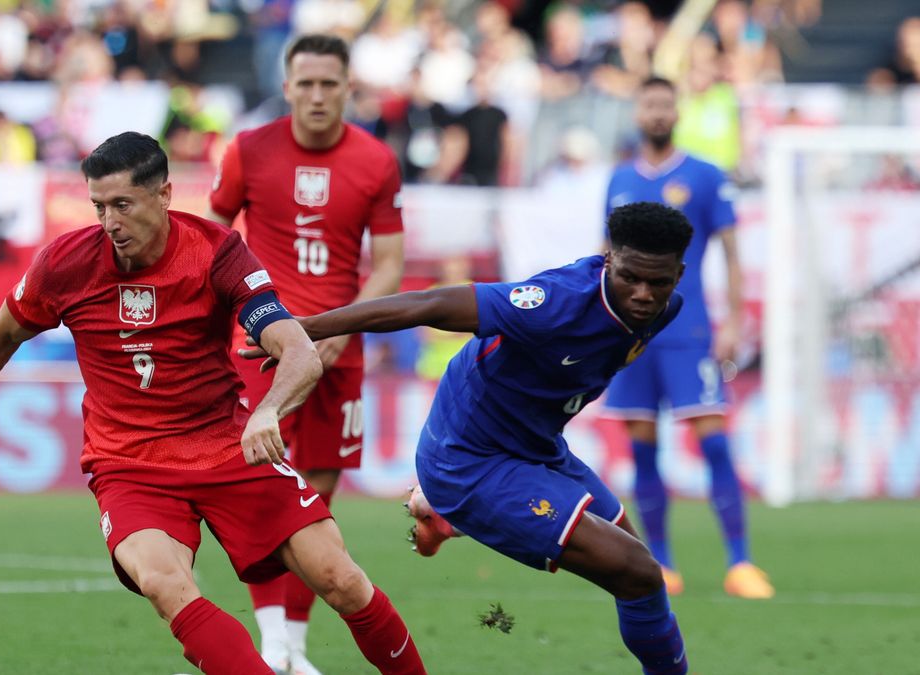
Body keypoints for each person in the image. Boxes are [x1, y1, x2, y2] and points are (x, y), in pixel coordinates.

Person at [0, 133, 425, 675]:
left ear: (163, 194)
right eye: (98, 206)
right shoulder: (65, 264)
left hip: (225, 446)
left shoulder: (216, 252)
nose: (109, 222)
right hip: (129, 463)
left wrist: (266, 411)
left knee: (341, 580)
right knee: (166, 585)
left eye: (122, 204)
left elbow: (298, 351)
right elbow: (2, 336)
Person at [241, 201, 694, 675]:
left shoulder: (664, 310)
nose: (643, 294)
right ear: (608, 259)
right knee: (637, 571)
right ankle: (448, 503)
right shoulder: (553, 302)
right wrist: (304, 329)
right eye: (630, 278)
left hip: (538, 447)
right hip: (469, 457)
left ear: (679, 275)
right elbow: (427, 304)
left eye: (658, 283)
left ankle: (443, 515)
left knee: (642, 574)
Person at [207, 34, 405, 675]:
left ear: (349, 88)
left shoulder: (376, 161)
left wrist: (344, 328)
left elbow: (391, 266)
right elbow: (211, 238)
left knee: (316, 500)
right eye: (307, 83)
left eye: (330, 83)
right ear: (288, 86)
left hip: (339, 354)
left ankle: (291, 647)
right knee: (265, 489)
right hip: (262, 348)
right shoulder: (248, 150)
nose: (318, 95)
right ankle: (274, 644)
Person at [602, 76, 773, 599]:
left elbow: (731, 250)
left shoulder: (704, 175)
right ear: (638, 112)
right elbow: (604, 256)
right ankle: (663, 565)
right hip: (631, 336)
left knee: (714, 441)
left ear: (677, 112)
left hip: (688, 329)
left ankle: (740, 562)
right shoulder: (619, 179)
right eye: (648, 104)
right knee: (642, 447)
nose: (657, 113)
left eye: (665, 105)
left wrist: (736, 320)